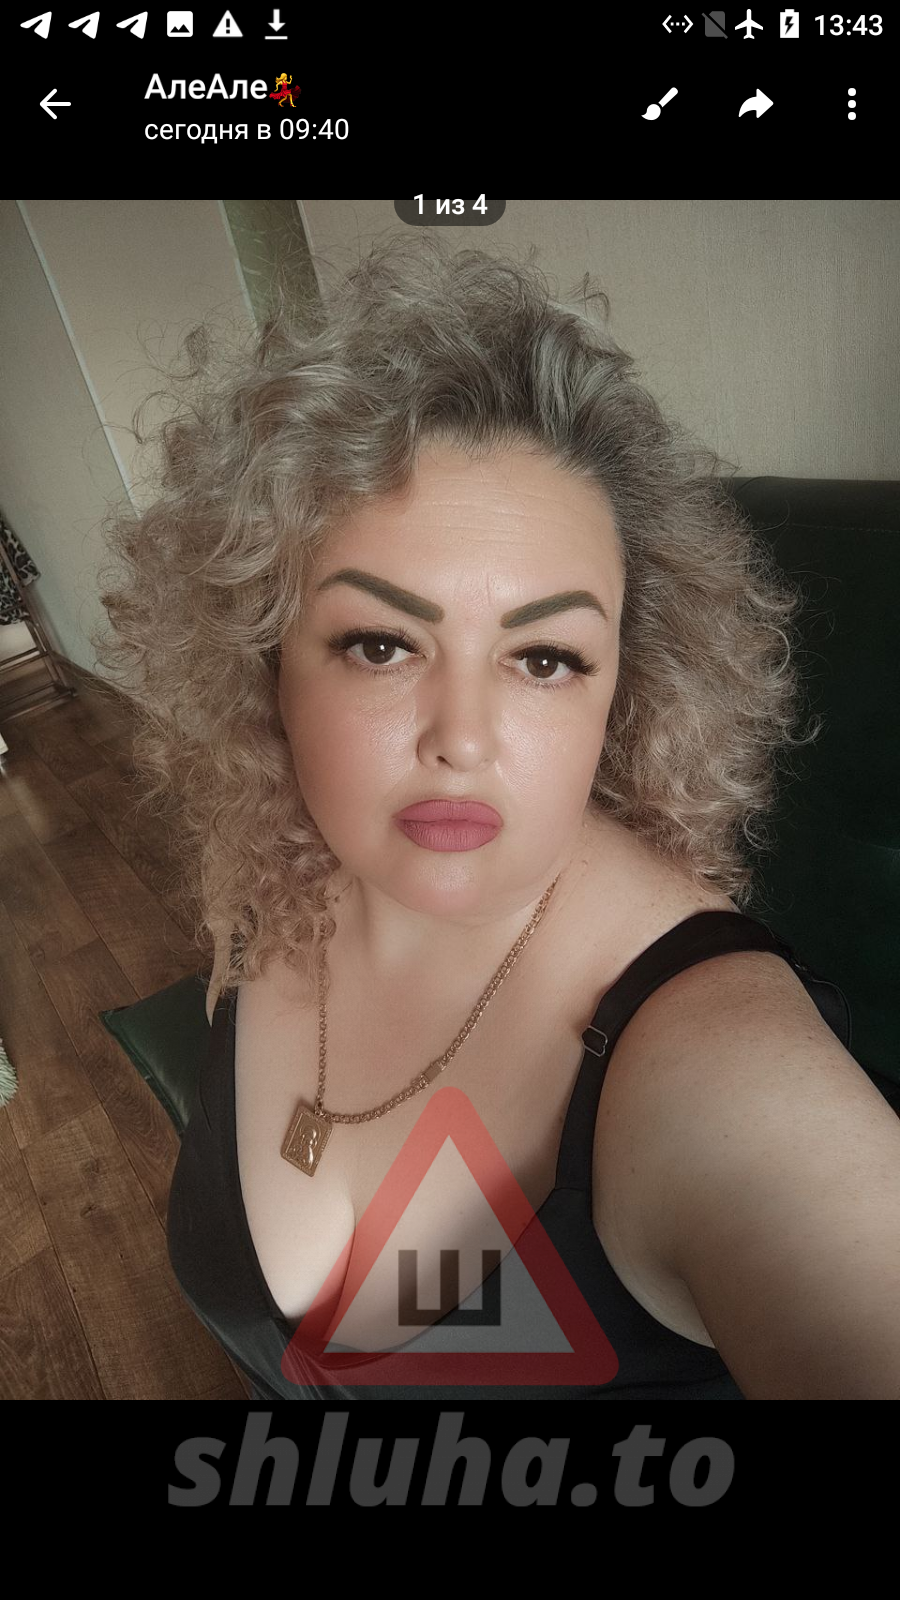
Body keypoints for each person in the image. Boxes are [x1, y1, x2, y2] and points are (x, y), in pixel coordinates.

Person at [94, 232, 900, 1400]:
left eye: (545, 657)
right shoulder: (273, 865)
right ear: (265, 666)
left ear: (629, 690)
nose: (462, 738)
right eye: (382, 644)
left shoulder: (714, 1067)